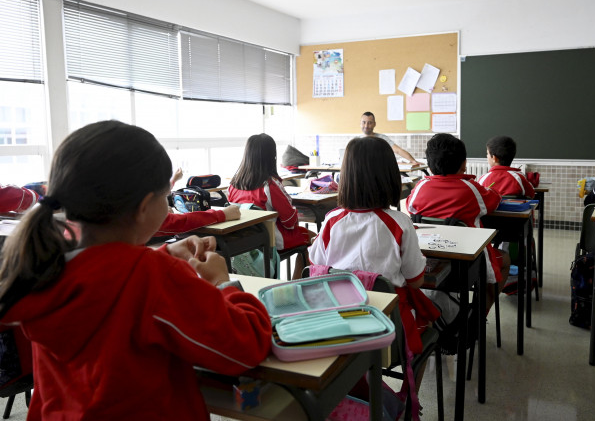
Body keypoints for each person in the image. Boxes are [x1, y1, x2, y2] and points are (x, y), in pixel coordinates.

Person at [0, 120, 272, 420]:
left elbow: (105, 275)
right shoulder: (152, 275)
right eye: (166, 197)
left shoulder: (44, 263)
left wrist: (164, 253)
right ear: (145, 206)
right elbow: (244, 348)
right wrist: (223, 282)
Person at [308, 135, 438, 393]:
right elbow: (416, 280)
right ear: (390, 176)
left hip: (339, 325)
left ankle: (363, 388)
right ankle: (406, 401)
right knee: (431, 323)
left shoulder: (332, 220)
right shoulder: (400, 222)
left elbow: (316, 268)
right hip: (388, 329)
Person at [406, 133, 505, 311]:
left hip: (427, 261)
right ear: (464, 163)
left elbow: (410, 207)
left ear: (429, 164)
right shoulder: (471, 189)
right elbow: (494, 201)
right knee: (504, 259)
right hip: (466, 264)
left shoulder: (420, 187)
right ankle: (476, 319)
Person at [228, 133, 314, 279]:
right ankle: (295, 286)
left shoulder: (233, 184)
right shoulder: (269, 185)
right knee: (314, 242)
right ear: (271, 156)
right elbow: (290, 222)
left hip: (245, 245)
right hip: (271, 241)